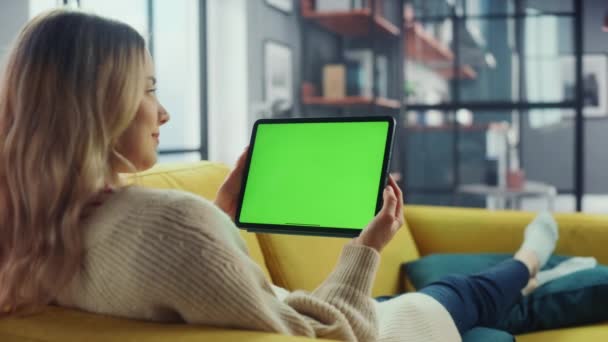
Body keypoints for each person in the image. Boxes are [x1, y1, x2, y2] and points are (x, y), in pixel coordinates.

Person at [0, 10, 561, 341]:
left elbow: (181, 282)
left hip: (299, 303)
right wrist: (367, 247)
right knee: (468, 291)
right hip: (374, 328)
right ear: (99, 104)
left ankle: (533, 273)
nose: (163, 112)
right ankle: (533, 259)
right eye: (148, 89)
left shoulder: (34, 232)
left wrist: (219, 212)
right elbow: (331, 334)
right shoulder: (166, 221)